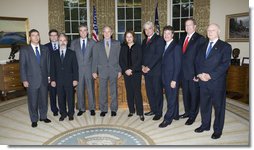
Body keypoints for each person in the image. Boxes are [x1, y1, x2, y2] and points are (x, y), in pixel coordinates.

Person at [195, 23, 232, 139]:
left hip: (216, 82)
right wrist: (199, 74)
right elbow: (197, 61)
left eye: (213, 30)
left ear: (218, 32)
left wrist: (210, 75)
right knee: (204, 105)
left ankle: (217, 130)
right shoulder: (202, 46)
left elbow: (225, 64)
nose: (210, 32)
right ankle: (205, 125)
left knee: (218, 107)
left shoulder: (225, 46)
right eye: (208, 30)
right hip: (202, 81)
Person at [19, 29, 51, 127]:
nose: (36, 37)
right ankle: (34, 119)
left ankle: (43, 116)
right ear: (30, 38)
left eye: (37, 35)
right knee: (33, 101)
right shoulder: (24, 50)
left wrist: (49, 76)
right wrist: (24, 80)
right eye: (33, 35)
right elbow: (22, 66)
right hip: (31, 80)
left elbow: (48, 64)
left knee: (44, 99)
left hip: (44, 79)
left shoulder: (45, 49)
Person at [179, 18, 205, 125]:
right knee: (186, 94)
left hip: (194, 73)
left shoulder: (200, 39)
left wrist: (197, 74)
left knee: (194, 95)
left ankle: (193, 115)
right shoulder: (182, 38)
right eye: (186, 26)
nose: (187, 27)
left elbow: (201, 58)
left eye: (190, 25)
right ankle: (187, 112)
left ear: (195, 26)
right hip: (183, 73)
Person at [92, 26, 121, 117]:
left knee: (113, 91)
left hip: (114, 70)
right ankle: (103, 109)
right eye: (105, 32)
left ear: (112, 33)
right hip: (102, 71)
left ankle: (113, 109)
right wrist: (94, 71)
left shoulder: (117, 43)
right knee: (102, 91)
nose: (107, 33)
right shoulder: (97, 44)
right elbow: (95, 59)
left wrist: (119, 70)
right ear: (102, 33)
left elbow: (119, 58)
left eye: (109, 31)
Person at [50, 33, 78, 121]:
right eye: (61, 40)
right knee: (61, 98)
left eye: (64, 40)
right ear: (58, 41)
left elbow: (75, 67)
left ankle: (70, 113)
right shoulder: (54, 54)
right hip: (58, 80)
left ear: (67, 42)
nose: (62, 42)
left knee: (70, 97)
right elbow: (52, 68)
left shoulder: (72, 53)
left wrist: (75, 79)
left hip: (69, 80)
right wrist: (53, 80)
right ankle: (63, 113)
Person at [70, 24, 96, 116]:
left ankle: (92, 108)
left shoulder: (93, 42)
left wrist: (94, 71)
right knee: (80, 90)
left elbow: (95, 58)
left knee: (90, 90)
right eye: (81, 30)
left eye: (85, 30)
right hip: (78, 71)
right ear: (79, 32)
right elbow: (71, 58)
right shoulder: (74, 43)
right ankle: (81, 108)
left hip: (89, 71)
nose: (83, 32)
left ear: (88, 31)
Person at [159, 25, 182, 128]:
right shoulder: (165, 45)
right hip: (165, 77)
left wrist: (174, 79)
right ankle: (175, 115)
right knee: (171, 97)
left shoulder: (176, 46)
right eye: (165, 33)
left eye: (169, 33)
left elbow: (178, 65)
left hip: (172, 78)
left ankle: (167, 119)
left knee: (171, 99)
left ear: (172, 35)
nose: (166, 35)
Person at [119, 30, 144, 121]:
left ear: (133, 37)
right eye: (127, 37)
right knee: (129, 92)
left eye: (130, 36)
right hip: (126, 73)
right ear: (125, 38)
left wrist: (132, 69)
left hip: (136, 73)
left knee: (137, 92)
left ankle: (140, 112)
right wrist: (126, 70)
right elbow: (121, 60)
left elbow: (139, 60)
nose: (129, 38)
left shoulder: (138, 47)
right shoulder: (123, 47)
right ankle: (131, 111)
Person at [141, 21, 164, 121]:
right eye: (145, 29)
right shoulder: (144, 41)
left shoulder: (159, 39)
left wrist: (149, 67)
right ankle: (153, 109)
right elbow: (142, 55)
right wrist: (142, 66)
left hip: (156, 71)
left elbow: (158, 55)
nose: (147, 31)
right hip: (146, 72)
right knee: (150, 92)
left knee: (157, 92)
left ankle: (159, 112)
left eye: (149, 28)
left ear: (153, 29)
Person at [44, 29, 59, 116]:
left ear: (57, 36)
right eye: (52, 35)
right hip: (50, 74)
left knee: (61, 93)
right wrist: (48, 76)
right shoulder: (45, 47)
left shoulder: (63, 45)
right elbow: (44, 63)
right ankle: (54, 110)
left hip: (61, 74)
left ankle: (62, 108)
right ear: (49, 37)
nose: (53, 37)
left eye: (55, 35)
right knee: (52, 93)